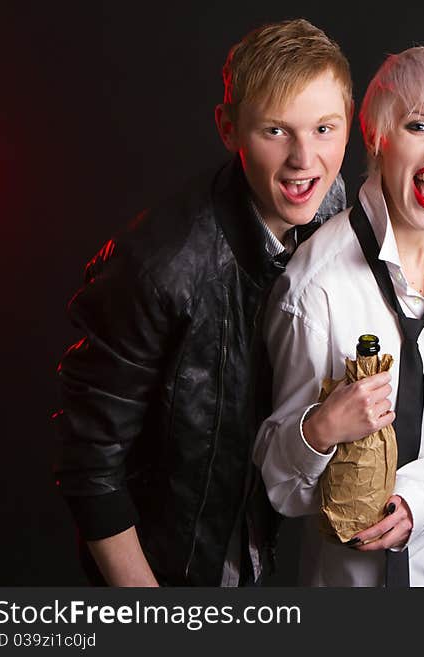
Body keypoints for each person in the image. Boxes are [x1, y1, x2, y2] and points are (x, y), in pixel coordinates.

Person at [52, 19, 352, 586]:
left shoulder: (336, 218)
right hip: (163, 572)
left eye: (323, 128)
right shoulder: (160, 263)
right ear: (228, 128)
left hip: (264, 555)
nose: (303, 159)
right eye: (275, 131)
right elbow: (89, 463)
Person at [254, 44, 424, 587]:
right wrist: (319, 430)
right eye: (419, 127)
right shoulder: (315, 286)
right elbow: (283, 487)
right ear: (378, 137)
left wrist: (419, 500)